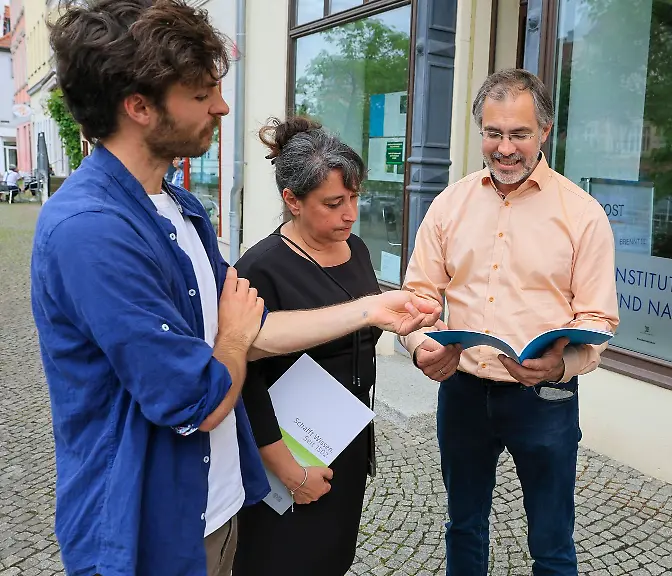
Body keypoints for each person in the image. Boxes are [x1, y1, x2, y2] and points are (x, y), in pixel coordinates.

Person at [33, 3, 441, 576]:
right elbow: (197, 399)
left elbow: (254, 333)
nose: (222, 106)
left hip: (218, 507)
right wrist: (232, 339)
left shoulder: (179, 207)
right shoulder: (93, 231)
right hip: (151, 528)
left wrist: (372, 307)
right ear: (139, 107)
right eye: (201, 94)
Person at [400, 68, 619, 576]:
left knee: (552, 538)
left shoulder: (581, 213)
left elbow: (598, 317)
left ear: (544, 132)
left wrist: (561, 363)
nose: (505, 148)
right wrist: (419, 347)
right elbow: (417, 296)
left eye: (519, 134)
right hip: (463, 389)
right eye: (493, 133)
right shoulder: (448, 205)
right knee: (463, 525)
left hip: (546, 396)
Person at [229, 116, 382, 575]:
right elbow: (243, 380)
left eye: (354, 197)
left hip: (345, 444)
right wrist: (289, 472)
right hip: (285, 455)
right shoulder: (258, 270)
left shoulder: (356, 250)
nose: (350, 214)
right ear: (291, 201)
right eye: (334, 203)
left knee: (332, 559)